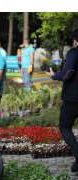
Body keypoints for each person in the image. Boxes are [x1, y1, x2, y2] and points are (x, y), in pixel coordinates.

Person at [46, 28, 78, 172]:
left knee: (65, 127)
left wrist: (54, 75)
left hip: (73, 98)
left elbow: (68, 73)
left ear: (75, 41)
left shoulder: (74, 52)